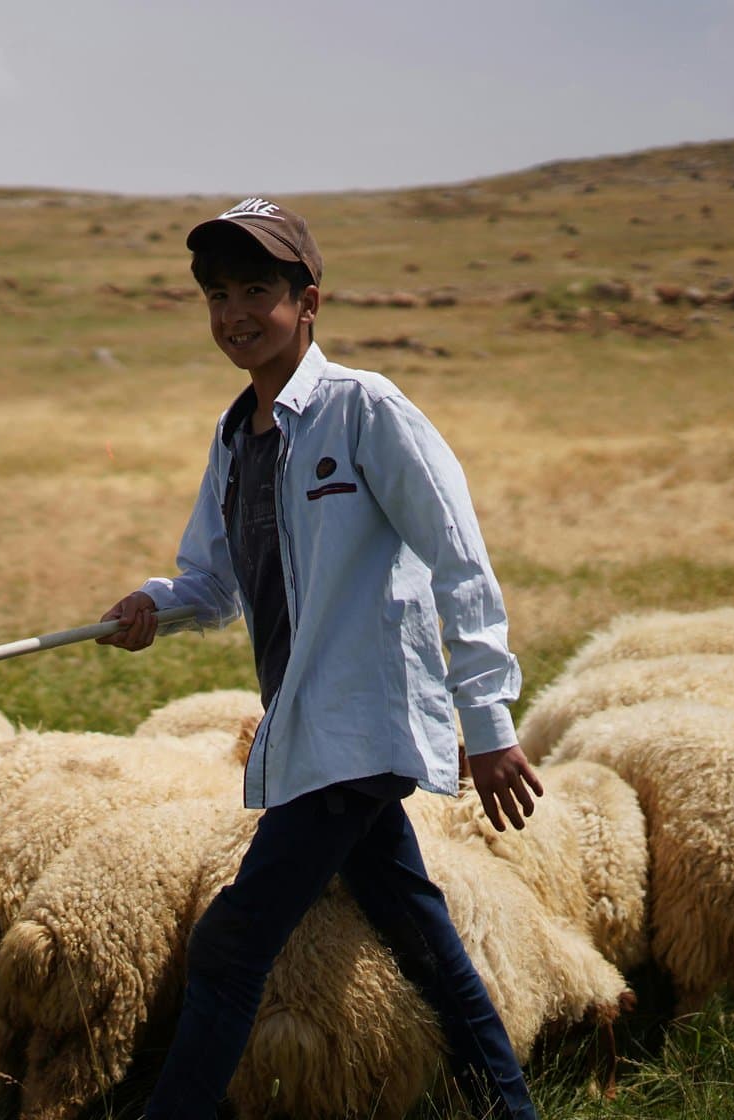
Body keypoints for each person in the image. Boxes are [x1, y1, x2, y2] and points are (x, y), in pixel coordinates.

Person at [97, 197, 544, 1118]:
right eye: (218, 295)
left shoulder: (364, 411)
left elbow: (460, 557)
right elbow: (211, 584)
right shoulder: (235, 438)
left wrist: (488, 722)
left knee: (229, 944)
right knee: (420, 934)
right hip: (306, 726)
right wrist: (152, 606)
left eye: (257, 289)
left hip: (362, 725)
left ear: (309, 302)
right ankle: (509, 1108)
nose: (235, 314)